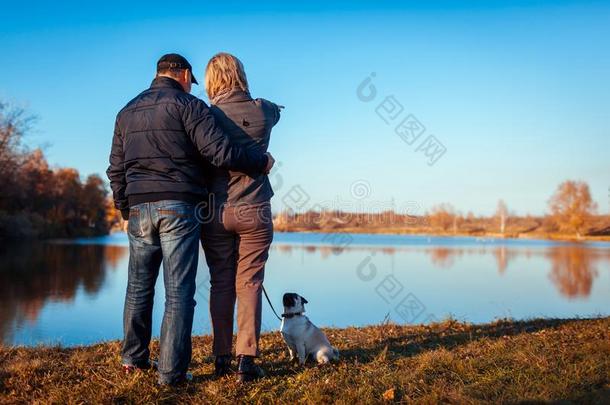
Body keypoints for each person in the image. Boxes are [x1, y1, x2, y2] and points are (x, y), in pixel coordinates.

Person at [106, 53, 275, 386]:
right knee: (180, 292)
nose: (191, 84)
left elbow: (115, 167)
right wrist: (261, 160)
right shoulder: (192, 107)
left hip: (150, 208)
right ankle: (174, 372)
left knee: (139, 288)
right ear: (182, 74)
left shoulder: (126, 111)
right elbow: (220, 153)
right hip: (183, 206)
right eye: (189, 78)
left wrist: (125, 206)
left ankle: (134, 359)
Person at [200, 52, 281, 383]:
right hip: (255, 208)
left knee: (221, 282)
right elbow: (276, 113)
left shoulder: (204, 117)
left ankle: (221, 357)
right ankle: (246, 361)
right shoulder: (264, 110)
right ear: (240, 75)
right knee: (249, 283)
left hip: (214, 210)